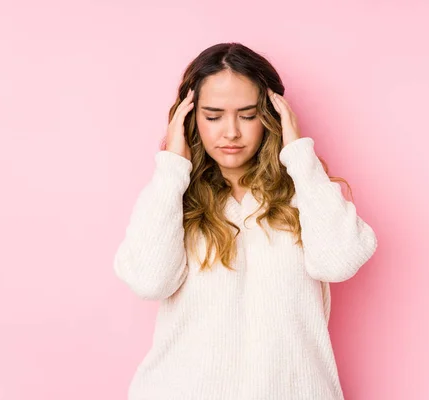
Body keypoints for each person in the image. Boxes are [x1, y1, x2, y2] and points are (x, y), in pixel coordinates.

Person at [113, 42, 378, 400]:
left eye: (248, 114)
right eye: (213, 115)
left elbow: (339, 261)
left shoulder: (307, 192)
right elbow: (148, 281)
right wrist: (172, 167)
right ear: (189, 119)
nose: (232, 131)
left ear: (272, 115)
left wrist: (299, 154)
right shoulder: (170, 197)